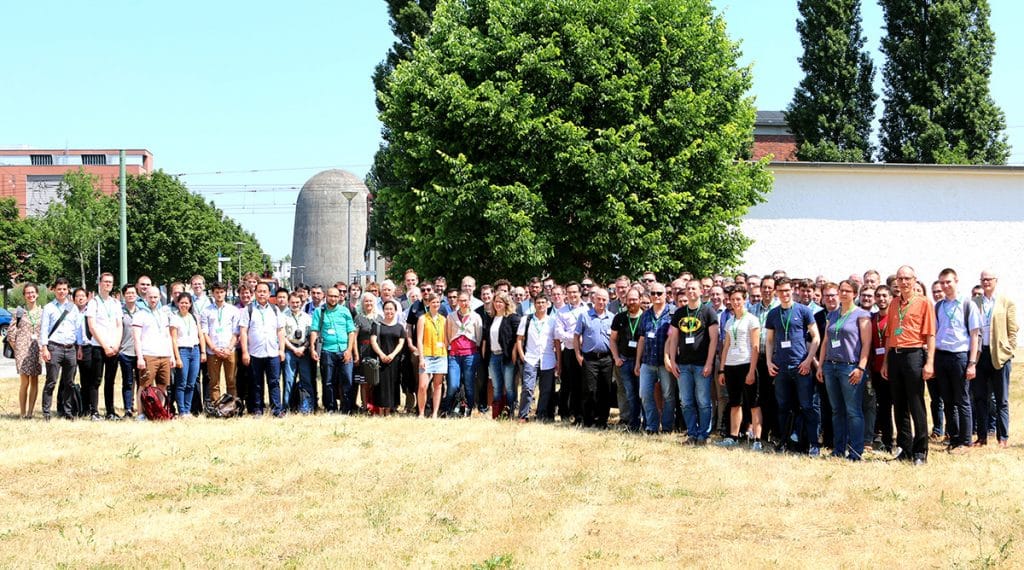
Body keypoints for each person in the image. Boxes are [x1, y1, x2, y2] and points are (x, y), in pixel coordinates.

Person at [882, 265, 936, 465]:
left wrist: (930, 362)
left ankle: (920, 451)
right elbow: (889, 334)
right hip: (895, 356)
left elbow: (930, 334)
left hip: (914, 354)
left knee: (916, 404)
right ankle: (905, 449)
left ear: (915, 280)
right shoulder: (894, 303)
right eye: (900, 278)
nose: (903, 282)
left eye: (907, 278)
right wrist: (886, 361)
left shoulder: (924, 303)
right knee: (899, 405)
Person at [764, 277, 821, 455]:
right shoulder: (773, 314)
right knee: (783, 407)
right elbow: (770, 341)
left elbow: (816, 338)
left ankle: (812, 444)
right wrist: (768, 361)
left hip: (801, 367)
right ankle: (784, 442)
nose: (785, 294)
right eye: (781, 291)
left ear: (792, 290)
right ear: (776, 293)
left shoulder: (803, 311)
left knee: (807, 406)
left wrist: (808, 360)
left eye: (787, 290)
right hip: (781, 368)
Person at [816, 281, 871, 460]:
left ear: (855, 294)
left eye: (848, 291)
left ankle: (855, 451)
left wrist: (861, 367)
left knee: (853, 411)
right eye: (842, 290)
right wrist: (821, 365)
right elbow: (825, 342)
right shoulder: (832, 314)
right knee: (836, 410)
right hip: (830, 366)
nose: (844, 293)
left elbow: (866, 344)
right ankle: (838, 449)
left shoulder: (862, 315)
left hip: (850, 367)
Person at [933, 268, 981, 454]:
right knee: (948, 401)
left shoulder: (968, 304)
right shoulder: (939, 306)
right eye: (942, 283)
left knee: (963, 400)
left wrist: (972, 363)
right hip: (942, 356)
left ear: (956, 281)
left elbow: (975, 335)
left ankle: (966, 441)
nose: (945, 286)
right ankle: (953, 439)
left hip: (960, 356)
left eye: (948, 282)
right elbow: (936, 333)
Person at [665, 280, 719, 444]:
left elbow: (714, 339)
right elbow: (673, 338)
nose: (690, 291)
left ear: (701, 291)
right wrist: (673, 360)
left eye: (694, 288)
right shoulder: (680, 312)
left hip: (702, 364)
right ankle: (692, 433)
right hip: (683, 365)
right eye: (688, 289)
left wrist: (710, 363)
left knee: (703, 401)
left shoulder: (708, 312)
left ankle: (703, 434)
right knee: (686, 401)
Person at [972, 269, 1017, 448]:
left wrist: (1008, 350)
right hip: (980, 355)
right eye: (983, 279)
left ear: (996, 280)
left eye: (989, 279)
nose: (986, 282)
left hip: (999, 355)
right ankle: (982, 436)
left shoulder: (1006, 302)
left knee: (1001, 399)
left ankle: (1002, 437)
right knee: (980, 397)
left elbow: (1012, 330)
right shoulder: (975, 302)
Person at [717, 287, 761, 449]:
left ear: (745, 300)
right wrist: (722, 369)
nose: (735, 302)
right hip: (730, 366)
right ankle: (732, 436)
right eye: (733, 299)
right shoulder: (729, 321)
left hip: (746, 364)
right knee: (735, 402)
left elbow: (755, 346)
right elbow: (726, 346)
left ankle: (757, 440)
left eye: (739, 299)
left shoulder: (752, 320)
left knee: (754, 403)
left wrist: (751, 370)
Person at [239, 282, 286, 417]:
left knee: (274, 382)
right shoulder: (248, 310)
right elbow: (243, 331)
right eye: (259, 291)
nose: (262, 294)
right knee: (256, 383)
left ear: (269, 293)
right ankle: (258, 409)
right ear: (255, 293)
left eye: (264, 291)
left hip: (272, 353)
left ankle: (276, 409)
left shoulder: (275, 309)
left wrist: (281, 350)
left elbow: (280, 331)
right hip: (255, 353)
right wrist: (245, 352)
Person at [635, 281, 675, 433]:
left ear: (665, 295)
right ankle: (651, 426)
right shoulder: (645, 315)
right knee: (644, 394)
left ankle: (666, 427)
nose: (656, 296)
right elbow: (642, 340)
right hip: (648, 362)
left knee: (668, 395)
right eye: (653, 293)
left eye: (659, 293)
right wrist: (638, 362)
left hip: (665, 363)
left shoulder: (673, 313)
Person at [310, 287, 357, 414]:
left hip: (343, 350)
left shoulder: (345, 311)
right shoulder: (319, 312)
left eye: (336, 296)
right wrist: (313, 348)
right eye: (331, 296)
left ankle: (347, 408)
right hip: (327, 351)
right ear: (326, 296)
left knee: (347, 380)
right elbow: (314, 330)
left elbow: (351, 332)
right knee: (328, 381)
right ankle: (331, 407)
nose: (334, 298)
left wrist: (349, 350)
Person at [40, 278, 80, 421]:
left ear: (68, 290)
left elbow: (77, 329)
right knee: (51, 381)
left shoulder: (72, 308)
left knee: (69, 382)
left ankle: (67, 411)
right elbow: (44, 329)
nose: (62, 292)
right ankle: (46, 412)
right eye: (59, 289)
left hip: (70, 349)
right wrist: (44, 348)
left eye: (64, 289)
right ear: (54, 290)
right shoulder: (49, 308)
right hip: (54, 347)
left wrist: (78, 347)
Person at [83, 272, 122, 420]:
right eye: (105, 282)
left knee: (110, 380)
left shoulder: (116, 303)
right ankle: (94, 411)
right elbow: (92, 327)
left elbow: (119, 325)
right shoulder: (94, 303)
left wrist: (116, 345)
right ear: (99, 283)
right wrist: (105, 346)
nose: (108, 284)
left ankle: (110, 411)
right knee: (96, 380)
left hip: (114, 347)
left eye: (110, 282)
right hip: (98, 347)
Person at [132, 287, 177, 416]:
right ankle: (141, 414)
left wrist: (172, 356)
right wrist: (140, 357)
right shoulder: (140, 314)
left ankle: (159, 412)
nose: (153, 300)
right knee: (144, 386)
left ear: (159, 297)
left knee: (163, 386)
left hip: (164, 355)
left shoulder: (163, 314)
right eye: (150, 297)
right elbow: (137, 337)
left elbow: (168, 336)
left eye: (155, 297)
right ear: (146, 297)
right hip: (148, 354)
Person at [515, 294, 559, 422]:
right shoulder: (526, 319)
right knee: (527, 388)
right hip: (531, 358)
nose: (540, 305)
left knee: (546, 390)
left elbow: (556, 342)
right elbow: (519, 339)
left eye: (543, 302)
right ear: (534, 304)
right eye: (538, 302)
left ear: (547, 304)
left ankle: (541, 414)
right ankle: (523, 415)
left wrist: (558, 361)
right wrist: (522, 356)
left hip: (548, 359)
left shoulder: (552, 321)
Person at [574, 287, 614, 428]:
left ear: (608, 301)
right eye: (599, 299)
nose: (601, 302)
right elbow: (576, 336)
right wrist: (578, 355)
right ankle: (588, 420)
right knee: (590, 390)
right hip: (589, 358)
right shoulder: (584, 316)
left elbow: (614, 339)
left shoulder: (612, 317)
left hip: (607, 359)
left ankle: (602, 421)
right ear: (593, 299)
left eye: (604, 299)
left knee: (606, 390)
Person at [201, 282, 241, 404]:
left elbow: (236, 332)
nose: (219, 295)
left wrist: (229, 348)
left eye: (222, 292)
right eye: (217, 292)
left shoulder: (233, 310)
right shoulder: (206, 311)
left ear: (226, 293)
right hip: (213, 351)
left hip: (230, 350)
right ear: (212, 293)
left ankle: (231, 406)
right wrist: (213, 348)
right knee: (214, 382)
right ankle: (216, 406)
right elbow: (204, 333)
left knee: (231, 381)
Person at [609, 287, 643, 431]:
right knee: (629, 393)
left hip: (642, 362)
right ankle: (632, 423)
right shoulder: (620, 317)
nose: (632, 302)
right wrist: (616, 357)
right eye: (629, 299)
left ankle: (643, 422)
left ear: (640, 300)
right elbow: (612, 340)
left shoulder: (646, 317)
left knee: (642, 393)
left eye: (635, 299)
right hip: (624, 361)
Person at [445, 291, 483, 416]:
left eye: (465, 300)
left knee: (469, 384)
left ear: (469, 301)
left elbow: (478, 336)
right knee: (453, 385)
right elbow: (448, 334)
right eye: (460, 300)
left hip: (470, 355)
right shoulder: (451, 316)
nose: (463, 303)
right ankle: (448, 409)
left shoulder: (476, 316)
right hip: (454, 355)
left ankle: (469, 409)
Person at [8, 283, 43, 418]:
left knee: (34, 380)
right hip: (22, 350)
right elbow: (11, 333)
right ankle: (22, 413)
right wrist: (17, 349)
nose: (30, 295)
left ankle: (30, 412)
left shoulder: (42, 312)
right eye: (28, 293)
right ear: (24, 295)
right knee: (24, 382)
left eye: (33, 292)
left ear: (37, 294)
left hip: (36, 349)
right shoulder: (19, 312)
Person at [169, 292, 206, 416]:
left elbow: (200, 335)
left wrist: (203, 352)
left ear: (190, 304)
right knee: (181, 383)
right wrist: (177, 357)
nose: (184, 305)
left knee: (191, 383)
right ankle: (182, 410)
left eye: (187, 302)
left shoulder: (194, 317)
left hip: (195, 351)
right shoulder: (174, 317)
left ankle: (188, 409)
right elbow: (173, 339)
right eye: (182, 302)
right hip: (182, 351)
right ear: (178, 303)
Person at [556, 282, 586, 423]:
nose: (572, 295)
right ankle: (566, 413)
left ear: (580, 293)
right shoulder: (561, 311)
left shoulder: (588, 308)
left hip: (585, 351)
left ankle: (581, 414)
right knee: (568, 384)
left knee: (583, 384)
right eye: (569, 292)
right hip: (569, 351)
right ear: (566, 294)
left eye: (575, 292)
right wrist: (576, 338)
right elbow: (559, 333)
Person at [869, 285, 894, 452]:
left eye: (885, 295)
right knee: (882, 406)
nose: (881, 299)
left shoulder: (894, 317)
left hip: (892, 369)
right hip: (875, 370)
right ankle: (885, 441)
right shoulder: (872, 318)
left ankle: (897, 441)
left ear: (891, 297)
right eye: (878, 296)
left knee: (895, 407)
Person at [488, 291, 520, 418]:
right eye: (496, 301)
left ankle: (509, 412)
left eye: (500, 302)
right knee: (496, 386)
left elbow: (517, 338)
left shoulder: (512, 317)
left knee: (509, 386)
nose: (497, 304)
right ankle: (497, 413)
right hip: (494, 356)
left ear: (506, 303)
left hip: (507, 356)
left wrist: (514, 353)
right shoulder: (491, 318)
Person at [371, 300, 406, 416]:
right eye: (387, 309)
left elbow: (401, 343)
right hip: (380, 359)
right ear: (383, 310)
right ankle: (380, 409)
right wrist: (381, 355)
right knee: (380, 385)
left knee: (393, 384)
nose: (389, 311)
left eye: (391, 309)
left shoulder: (400, 327)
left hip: (394, 360)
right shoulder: (377, 325)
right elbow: (373, 341)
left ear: (395, 311)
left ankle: (390, 409)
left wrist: (392, 355)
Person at [417, 292, 448, 418]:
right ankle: (421, 412)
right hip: (427, 355)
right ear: (428, 303)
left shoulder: (444, 319)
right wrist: (421, 358)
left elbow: (446, 338)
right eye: (433, 302)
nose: (436, 304)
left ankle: (435, 413)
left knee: (438, 385)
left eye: (438, 302)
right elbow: (419, 339)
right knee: (423, 385)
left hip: (440, 355)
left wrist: (445, 347)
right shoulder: (422, 319)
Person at [282, 292, 314, 414]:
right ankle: (286, 407)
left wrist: (303, 348)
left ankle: (308, 406)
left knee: (306, 379)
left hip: (304, 350)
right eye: (293, 302)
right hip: (290, 349)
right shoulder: (284, 316)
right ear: (289, 303)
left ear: (301, 303)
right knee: (289, 380)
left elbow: (310, 336)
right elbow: (282, 336)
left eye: (297, 302)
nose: (295, 305)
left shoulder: (307, 317)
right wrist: (293, 349)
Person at [354, 292, 383, 412]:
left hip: (376, 352)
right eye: (366, 301)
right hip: (363, 351)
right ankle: (365, 406)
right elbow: (354, 337)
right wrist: (356, 354)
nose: (369, 303)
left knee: (375, 380)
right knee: (364, 381)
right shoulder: (358, 318)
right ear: (362, 303)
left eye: (371, 301)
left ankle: (374, 405)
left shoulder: (380, 318)